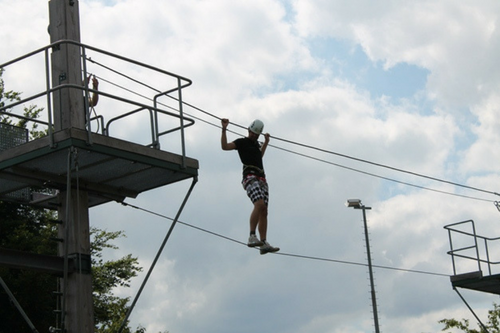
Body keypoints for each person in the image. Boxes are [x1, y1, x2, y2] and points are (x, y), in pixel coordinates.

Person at [221, 118, 280, 255]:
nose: (254, 135)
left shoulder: (256, 145)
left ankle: (263, 243)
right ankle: (252, 236)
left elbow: (259, 156)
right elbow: (224, 147)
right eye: (252, 133)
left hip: (261, 178)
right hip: (249, 177)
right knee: (259, 204)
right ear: (248, 130)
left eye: (256, 134)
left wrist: (265, 143)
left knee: (264, 210)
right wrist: (224, 129)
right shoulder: (241, 142)